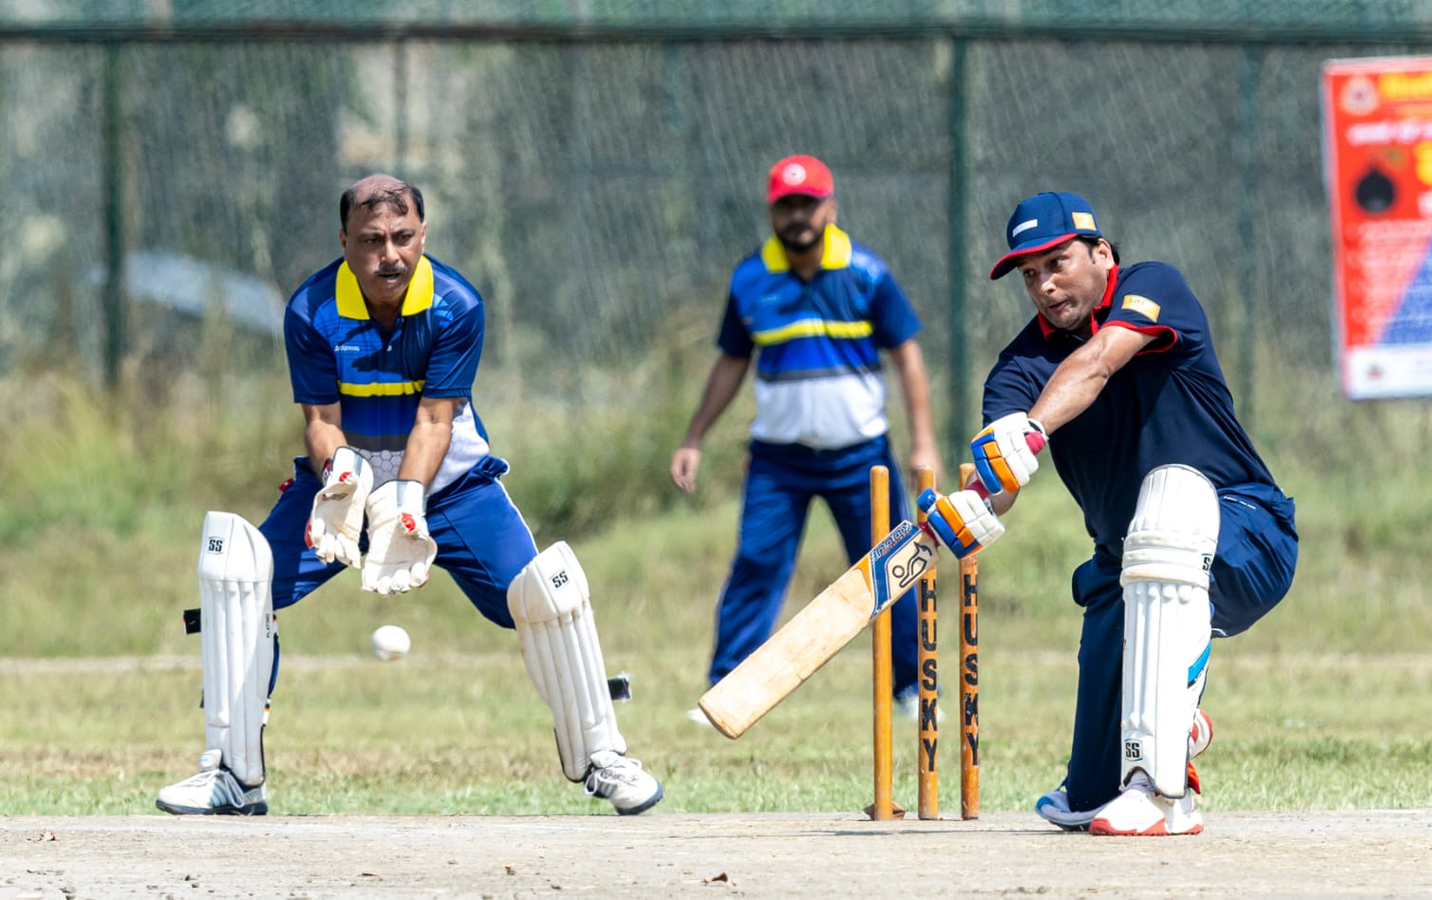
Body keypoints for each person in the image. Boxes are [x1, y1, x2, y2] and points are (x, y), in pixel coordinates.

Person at [155, 174, 663, 816]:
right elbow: (320, 419)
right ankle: (231, 775)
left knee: (545, 592)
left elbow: (435, 420)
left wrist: (407, 500)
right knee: (238, 578)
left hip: (448, 487)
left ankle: (603, 757)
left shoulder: (456, 305)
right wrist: (341, 476)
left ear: (423, 234)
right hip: (341, 490)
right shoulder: (311, 309)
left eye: (402, 237)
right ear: (344, 241)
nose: (388, 255)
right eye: (370, 241)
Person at [917, 191, 1297, 836]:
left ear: (1101, 253)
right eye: (1030, 275)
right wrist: (975, 506)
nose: (1044, 284)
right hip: (1124, 573)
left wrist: (1032, 430)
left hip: (1245, 531)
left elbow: (1096, 364)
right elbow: (1004, 475)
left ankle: (1162, 793)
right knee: (1089, 799)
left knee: (1167, 512)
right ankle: (1166, 730)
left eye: (1057, 262)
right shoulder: (1016, 370)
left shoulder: (1153, 287)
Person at [671, 155, 941, 718]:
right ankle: (730, 688)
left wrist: (924, 444)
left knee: (889, 569)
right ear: (772, 212)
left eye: (808, 204)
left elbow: (908, 357)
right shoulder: (750, 279)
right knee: (757, 564)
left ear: (830, 208)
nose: (798, 216)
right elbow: (730, 363)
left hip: (861, 457)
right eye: (787, 205)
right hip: (778, 461)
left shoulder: (866, 272)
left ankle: (912, 687)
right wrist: (694, 436)